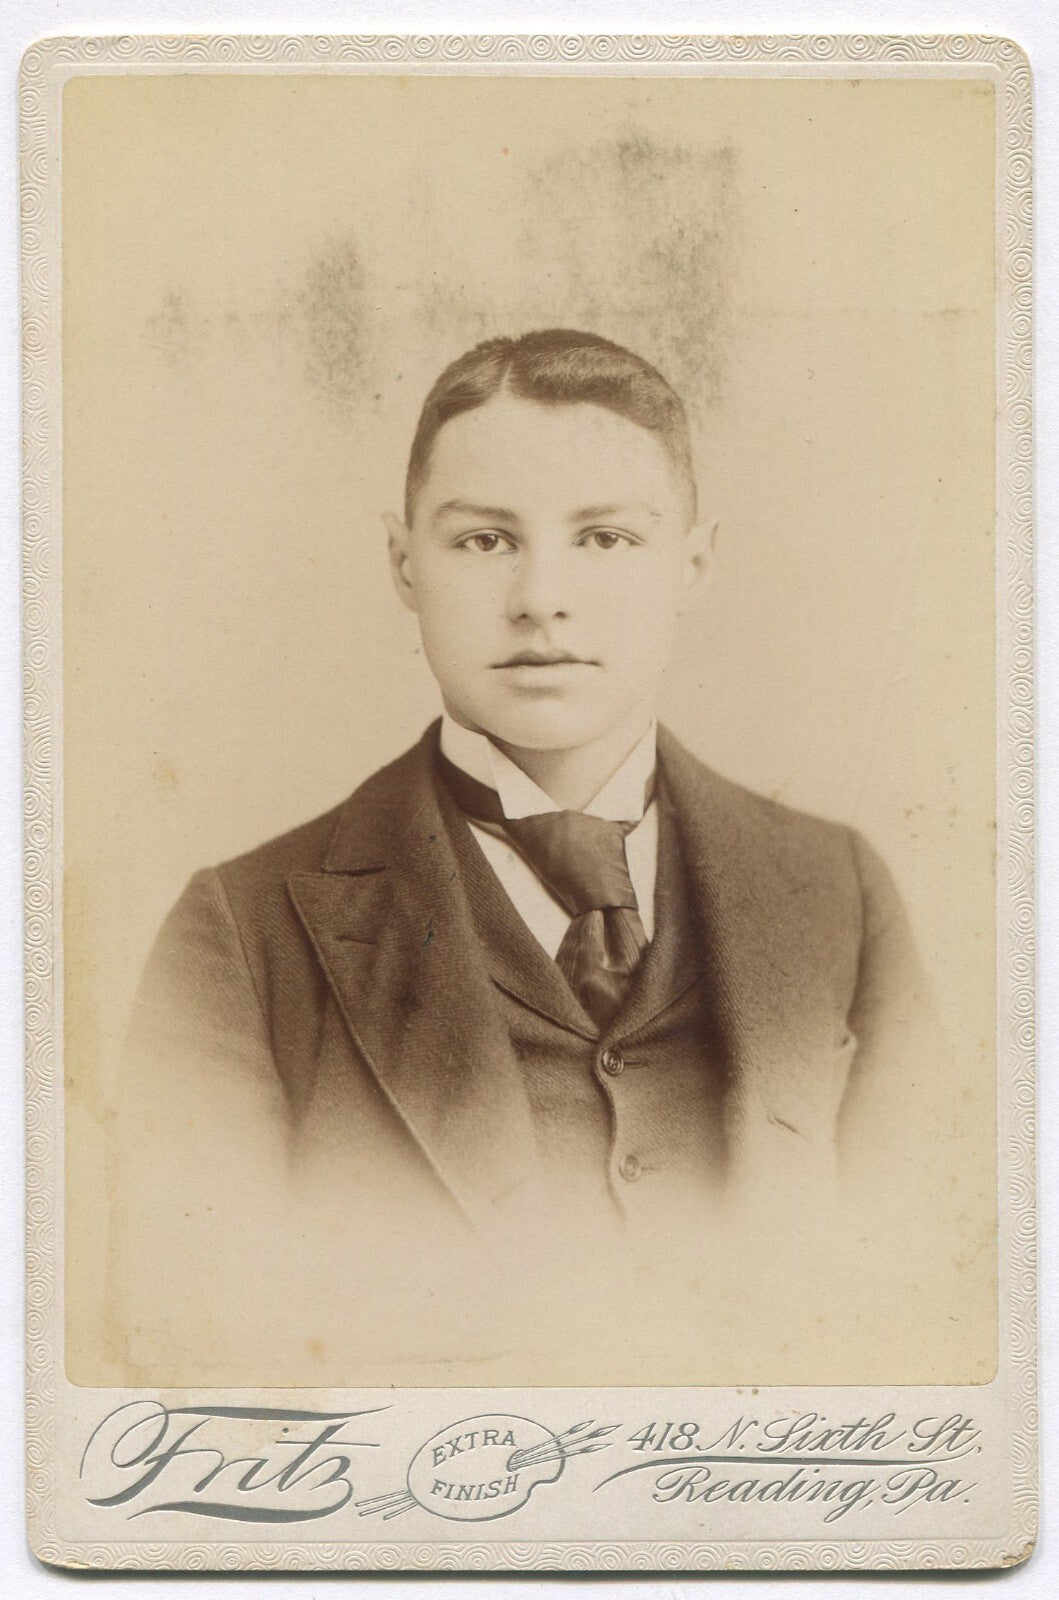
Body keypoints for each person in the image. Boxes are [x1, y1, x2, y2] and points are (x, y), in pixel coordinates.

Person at [116, 329, 957, 1387]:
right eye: (483, 541)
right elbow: (189, 1365)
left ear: (692, 565)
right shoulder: (239, 934)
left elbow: (936, 1316)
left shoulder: (838, 893)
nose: (540, 598)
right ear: (401, 561)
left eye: (604, 539)